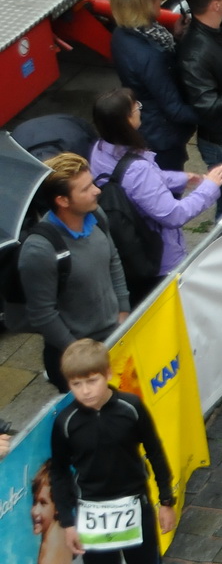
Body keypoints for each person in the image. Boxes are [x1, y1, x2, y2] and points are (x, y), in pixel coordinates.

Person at [47, 338, 188, 564]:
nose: (85, 391)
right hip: (93, 517)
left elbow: (156, 452)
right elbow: (60, 473)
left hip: (136, 507)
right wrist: (67, 521)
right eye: (76, 384)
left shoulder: (131, 408)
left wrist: (166, 501)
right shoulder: (65, 423)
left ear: (108, 376)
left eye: (91, 381)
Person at [88, 89, 222, 304]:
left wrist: (179, 179)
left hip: (127, 245)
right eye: (137, 107)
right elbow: (173, 214)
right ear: (126, 120)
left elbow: (138, 182)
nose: (140, 110)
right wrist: (209, 187)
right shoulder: (138, 169)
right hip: (159, 257)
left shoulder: (99, 150)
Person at [18, 154, 129, 394]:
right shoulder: (39, 251)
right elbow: (43, 314)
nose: (97, 191)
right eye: (86, 188)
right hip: (79, 359)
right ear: (63, 200)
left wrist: (123, 311)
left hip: (115, 337)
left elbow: (113, 260)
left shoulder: (96, 215)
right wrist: (81, 356)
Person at [108, 0, 199, 174]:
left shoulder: (123, 34)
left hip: (148, 124)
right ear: (144, 6)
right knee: (170, 188)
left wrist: (177, 37)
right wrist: (218, 112)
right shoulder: (149, 55)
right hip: (162, 136)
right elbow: (174, 108)